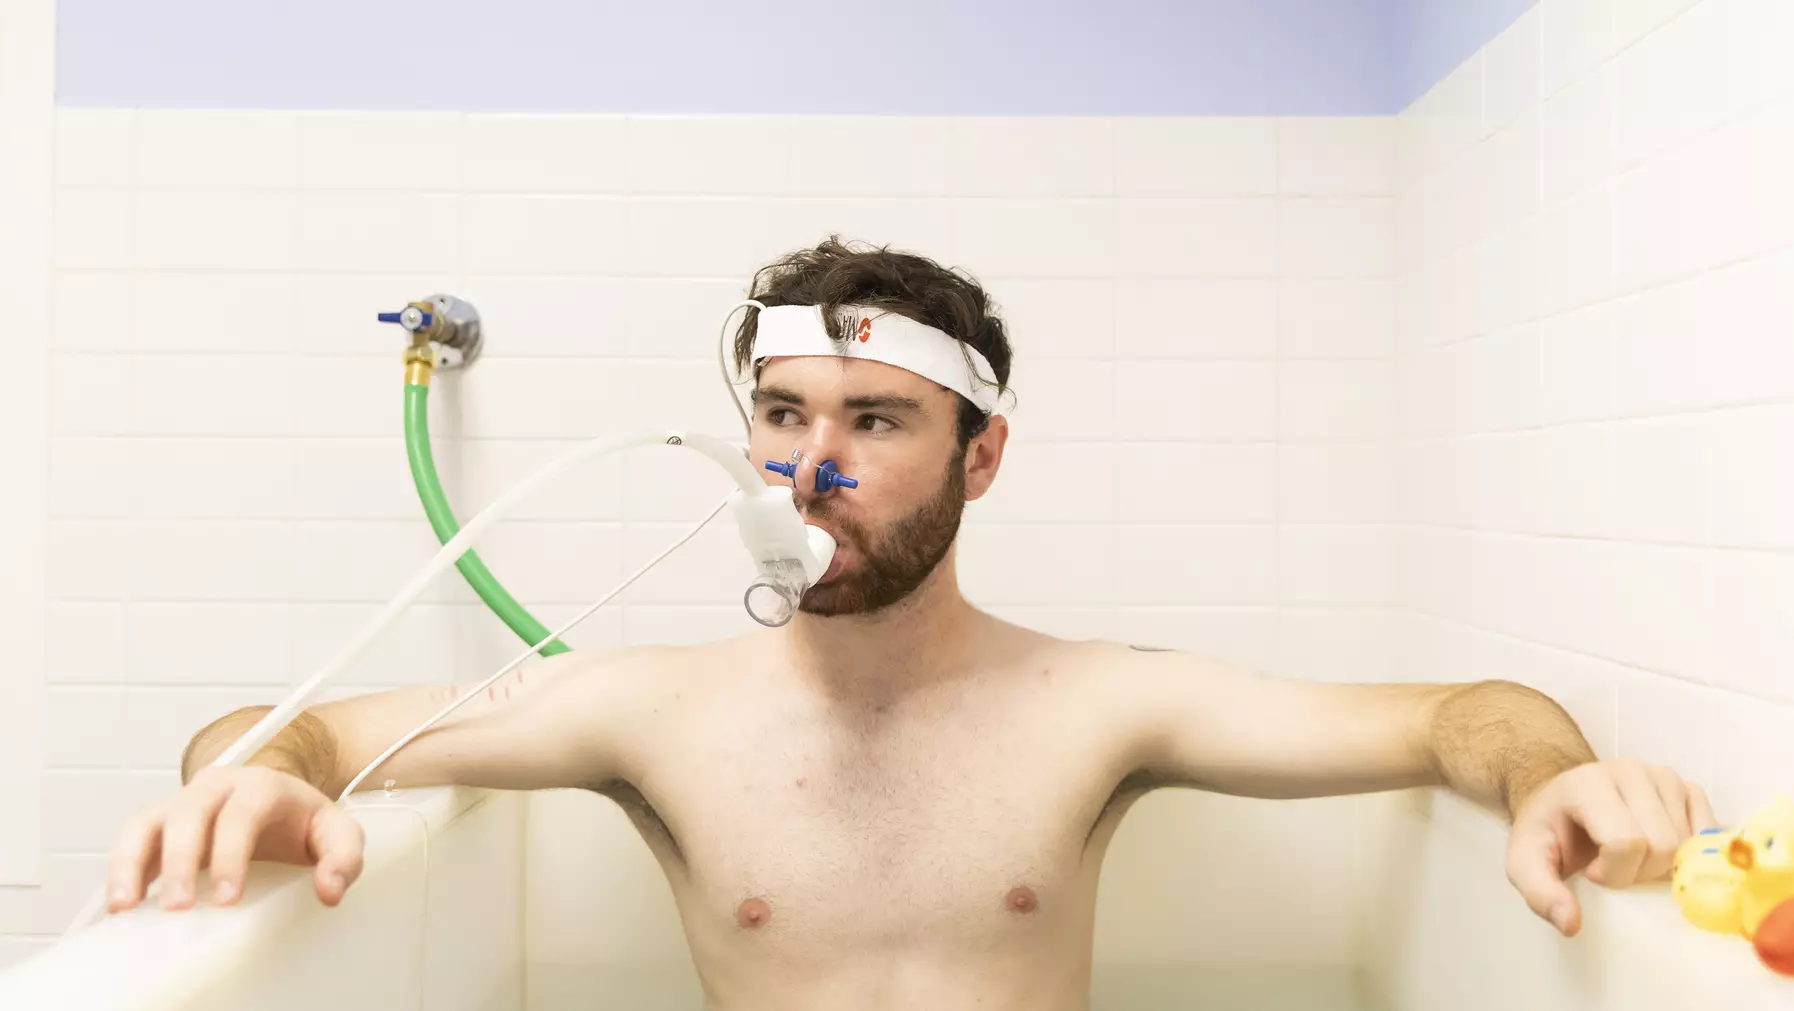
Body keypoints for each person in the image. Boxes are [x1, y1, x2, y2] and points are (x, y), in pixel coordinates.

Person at [106, 237, 1715, 1011]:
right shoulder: (642, 707)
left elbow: (1463, 711)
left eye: (875, 418)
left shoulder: (1098, 705)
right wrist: (251, 777)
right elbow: (294, 731)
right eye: (785, 415)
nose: (815, 464)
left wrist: (1547, 773)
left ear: (982, 454)